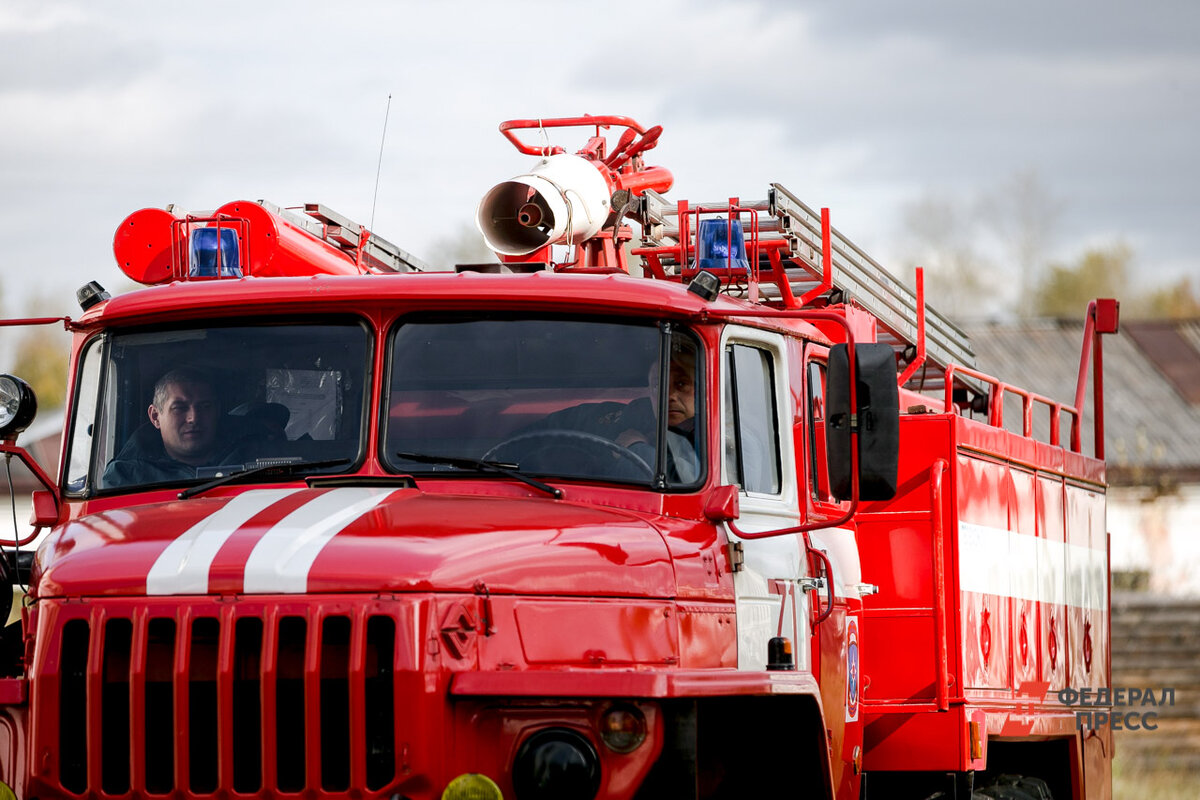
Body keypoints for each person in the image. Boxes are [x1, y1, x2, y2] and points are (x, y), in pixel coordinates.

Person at [101, 368, 223, 488]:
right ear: (155, 416)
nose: (193, 418)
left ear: (217, 411)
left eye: (205, 406)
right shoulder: (126, 476)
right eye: (179, 408)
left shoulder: (241, 457)